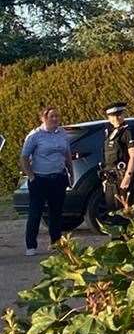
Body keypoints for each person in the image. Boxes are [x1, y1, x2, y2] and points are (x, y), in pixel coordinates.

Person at [20, 106, 72, 255]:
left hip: (58, 178)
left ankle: (55, 243)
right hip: (40, 179)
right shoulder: (35, 135)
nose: (55, 119)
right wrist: (31, 176)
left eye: (57, 116)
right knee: (35, 213)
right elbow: (24, 157)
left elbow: (67, 154)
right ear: (44, 118)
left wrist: (71, 172)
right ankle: (31, 245)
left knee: (56, 213)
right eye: (52, 117)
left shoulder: (62, 133)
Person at [101, 102, 134, 217]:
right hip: (110, 178)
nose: (116, 118)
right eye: (113, 115)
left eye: (119, 114)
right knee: (113, 212)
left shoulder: (128, 132)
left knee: (126, 212)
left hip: (122, 175)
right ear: (109, 117)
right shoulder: (109, 133)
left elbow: (133, 156)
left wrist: (128, 177)